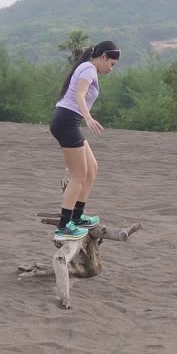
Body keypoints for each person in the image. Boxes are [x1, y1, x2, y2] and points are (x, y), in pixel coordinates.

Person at [49, 40, 119, 242]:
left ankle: (78, 217)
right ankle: (64, 226)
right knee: (78, 175)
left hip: (68, 120)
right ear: (103, 56)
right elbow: (79, 95)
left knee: (92, 168)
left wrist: (84, 117)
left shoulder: (87, 68)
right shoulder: (89, 69)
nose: (111, 69)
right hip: (66, 121)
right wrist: (88, 118)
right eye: (111, 64)